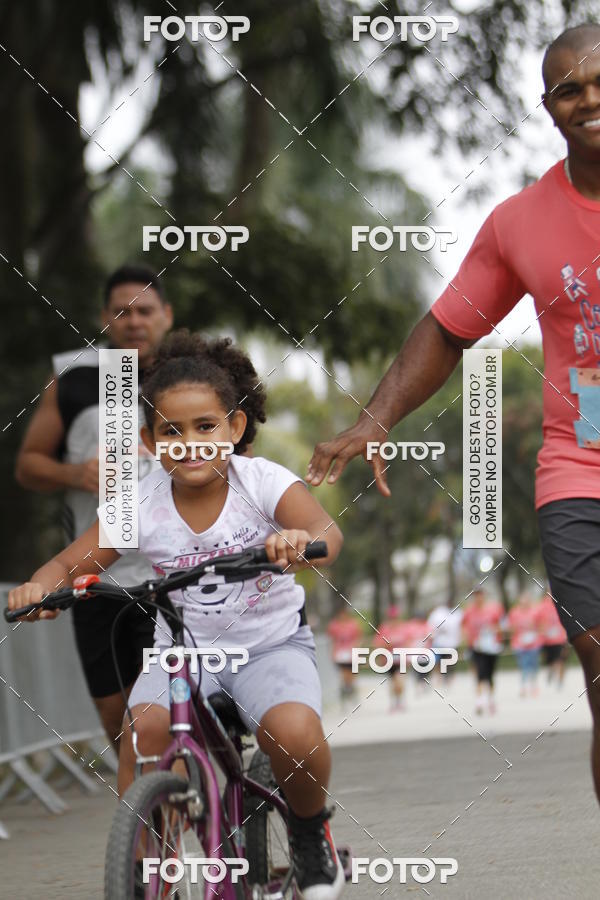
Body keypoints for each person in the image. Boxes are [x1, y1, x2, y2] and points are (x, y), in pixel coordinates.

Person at [307, 23, 600, 800]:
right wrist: (377, 419)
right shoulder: (520, 222)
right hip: (581, 467)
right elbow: (446, 327)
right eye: (570, 88)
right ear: (548, 106)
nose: (590, 99)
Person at [8, 330, 346, 900]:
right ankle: (143, 875)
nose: (190, 443)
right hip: (182, 653)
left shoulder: (260, 482)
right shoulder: (139, 500)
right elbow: (72, 560)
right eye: (172, 431)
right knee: (142, 736)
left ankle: (312, 837)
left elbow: (326, 534)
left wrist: (296, 540)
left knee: (294, 733)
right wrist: (39, 587)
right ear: (149, 439)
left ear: (234, 429)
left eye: (206, 427)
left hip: (268, 646)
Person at [14, 265, 173, 752]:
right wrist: (74, 473)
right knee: (116, 719)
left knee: (167, 718)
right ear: (105, 318)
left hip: (171, 570)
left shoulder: (191, 374)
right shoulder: (75, 375)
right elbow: (27, 465)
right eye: (122, 312)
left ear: (166, 315)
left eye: (145, 310)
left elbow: (238, 457)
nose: (134, 322)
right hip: (94, 574)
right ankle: (152, 821)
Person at [462, 589, 504, 714]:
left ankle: (490, 699)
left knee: (490, 675)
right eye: (476, 596)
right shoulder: (469, 611)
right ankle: (479, 701)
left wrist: (493, 630)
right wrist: (467, 639)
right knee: (480, 673)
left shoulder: (493, 609)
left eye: (480, 595)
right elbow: (464, 626)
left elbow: (500, 626)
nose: (478, 598)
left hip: (491, 647)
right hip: (476, 647)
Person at [373, 606, 412, 711]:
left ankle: (400, 700)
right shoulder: (384, 628)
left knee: (400, 681)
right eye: (392, 618)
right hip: (389, 659)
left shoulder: (404, 628)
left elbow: (408, 642)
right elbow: (378, 643)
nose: (394, 620)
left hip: (401, 659)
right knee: (392, 682)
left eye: (395, 618)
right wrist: (389, 644)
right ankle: (394, 703)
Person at [507, 593, 543, 697]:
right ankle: (523, 686)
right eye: (522, 602)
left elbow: (541, 625)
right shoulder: (514, 613)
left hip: (534, 643)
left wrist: (535, 630)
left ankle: (534, 685)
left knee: (534, 665)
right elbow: (511, 628)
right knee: (523, 665)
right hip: (519, 644)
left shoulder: (535, 612)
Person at [327, 606, 363, 706]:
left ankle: (351, 688)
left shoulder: (353, 624)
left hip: (351, 653)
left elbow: (358, 638)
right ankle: (345, 689)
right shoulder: (334, 625)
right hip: (340, 653)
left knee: (352, 675)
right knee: (344, 674)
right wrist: (333, 653)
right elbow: (332, 640)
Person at [536, 590, 569, 687]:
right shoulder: (543, 606)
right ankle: (553, 672)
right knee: (554, 660)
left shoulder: (562, 604)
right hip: (548, 639)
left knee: (560, 660)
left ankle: (559, 679)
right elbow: (537, 621)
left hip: (560, 638)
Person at [427, 599, 463, 683]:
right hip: (439, 643)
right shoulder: (438, 612)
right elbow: (430, 626)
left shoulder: (458, 613)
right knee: (438, 662)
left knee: (450, 662)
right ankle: (439, 679)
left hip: (452, 643)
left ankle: (449, 679)